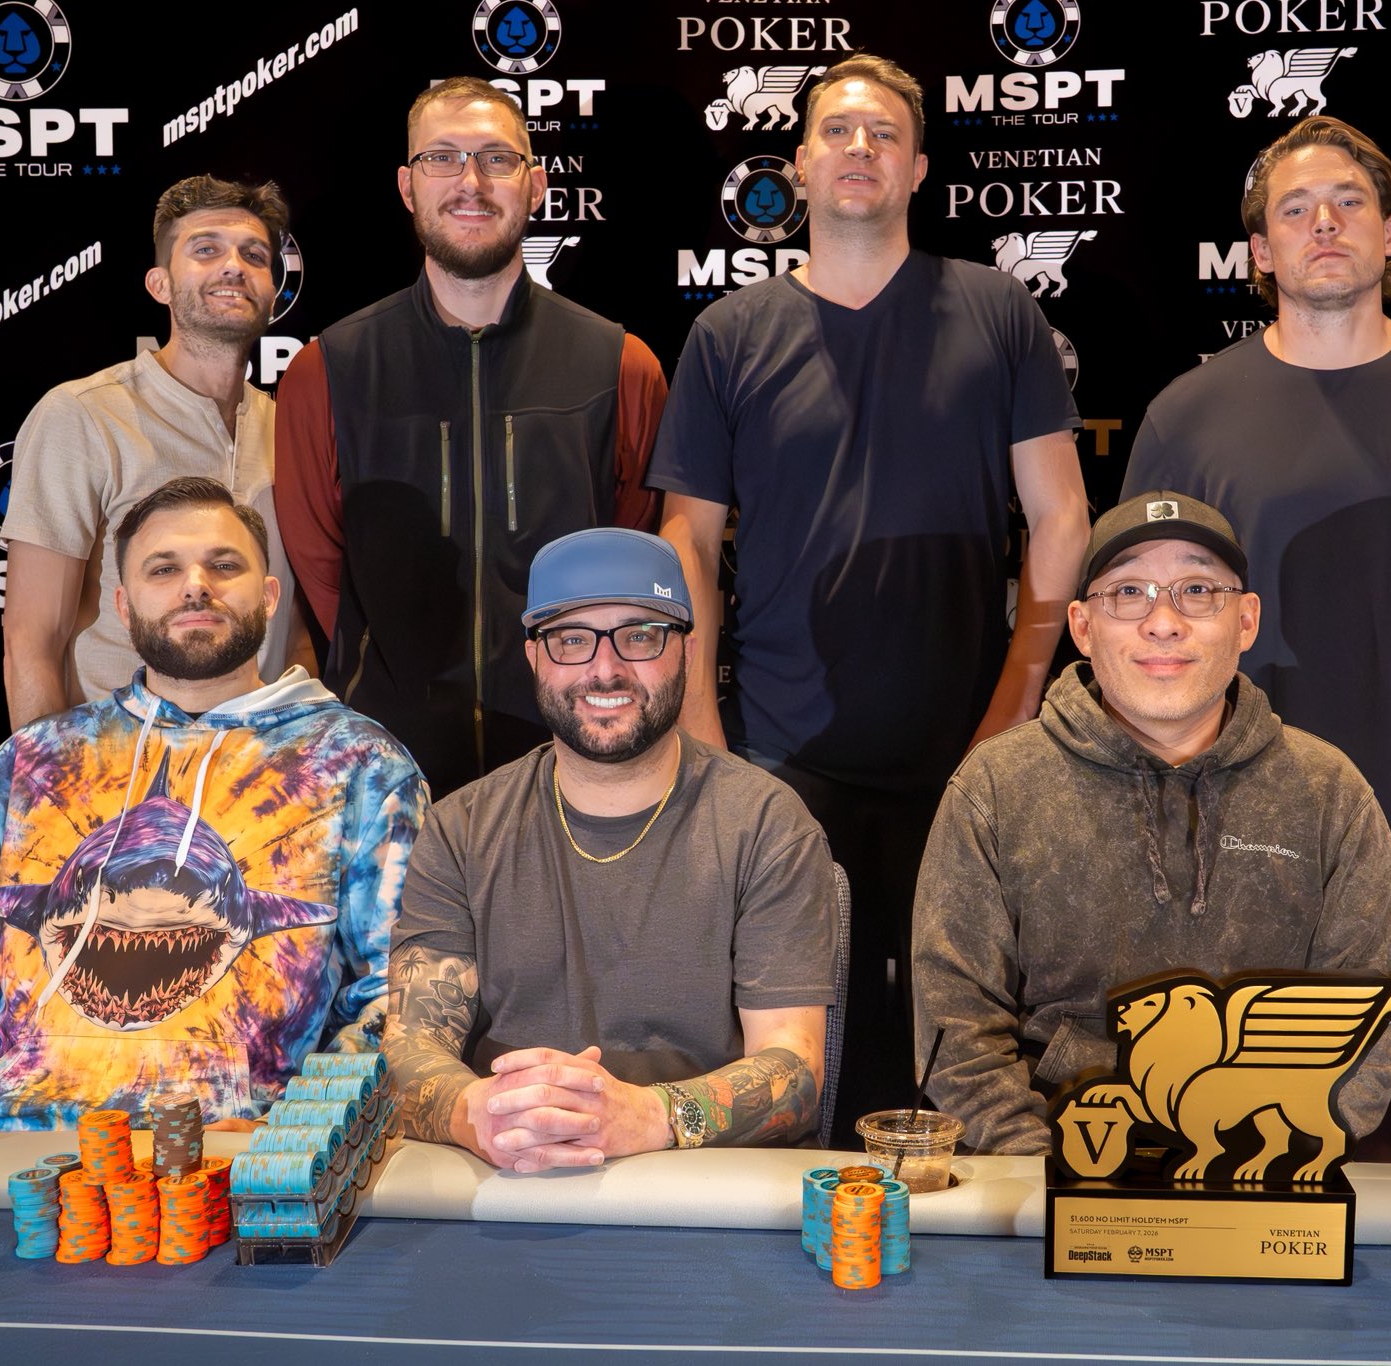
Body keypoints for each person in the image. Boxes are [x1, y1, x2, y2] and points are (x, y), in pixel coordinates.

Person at [649, 54, 1089, 1133]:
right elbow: (687, 542)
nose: (859, 148)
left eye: (884, 133)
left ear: (918, 167)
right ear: (798, 164)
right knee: (794, 1045)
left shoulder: (997, 312)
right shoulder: (729, 335)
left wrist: (1016, 705)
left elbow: (1062, 518)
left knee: (958, 1047)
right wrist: (702, 733)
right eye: (837, 131)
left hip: (965, 747)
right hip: (782, 752)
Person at [1119, 116, 1391, 1155]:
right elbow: (1140, 637)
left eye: (1349, 202)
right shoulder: (1187, 417)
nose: (1324, 223)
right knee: (1237, 1143)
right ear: (1260, 250)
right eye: (1295, 209)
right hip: (1231, 857)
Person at [0, 478, 426, 1133]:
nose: (195, 586)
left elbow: (399, 998)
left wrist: (302, 1133)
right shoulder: (31, 761)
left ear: (270, 597)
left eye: (224, 565)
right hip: (6, 1146)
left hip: (234, 1161)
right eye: (164, 569)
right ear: (123, 607)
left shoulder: (359, 763)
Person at [914, 493, 1391, 1155]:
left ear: (1246, 620)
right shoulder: (996, 787)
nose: (1164, 622)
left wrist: (1258, 1162)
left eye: (1197, 590)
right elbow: (956, 1029)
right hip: (1049, 1169)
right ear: (1083, 627)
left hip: (1262, 1174)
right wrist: (1049, 1168)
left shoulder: (1330, 793)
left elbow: (1368, 1026)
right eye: (1129, 593)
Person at [383, 528, 837, 1171]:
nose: (605, 668)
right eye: (572, 639)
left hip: (707, 1191)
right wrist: (479, 1112)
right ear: (534, 657)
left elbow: (796, 1070)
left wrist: (645, 1116)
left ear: (687, 650)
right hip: (513, 1180)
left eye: (640, 636)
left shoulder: (767, 825)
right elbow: (407, 1052)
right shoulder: (460, 831)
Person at [275, 77, 668, 794]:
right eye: (442, 158)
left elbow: (630, 546)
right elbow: (321, 565)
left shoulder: (620, 364)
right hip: (390, 766)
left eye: (496, 158)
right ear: (407, 186)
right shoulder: (327, 370)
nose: (471, 182)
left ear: (536, 185)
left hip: (569, 759)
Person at [3, 176, 312, 732]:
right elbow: (32, 640)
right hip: (115, 762)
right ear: (160, 284)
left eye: (254, 255)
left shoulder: (288, 427)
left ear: (274, 288)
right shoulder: (84, 415)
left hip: (254, 766)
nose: (233, 266)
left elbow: (292, 630)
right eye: (206, 249)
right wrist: (48, 776)